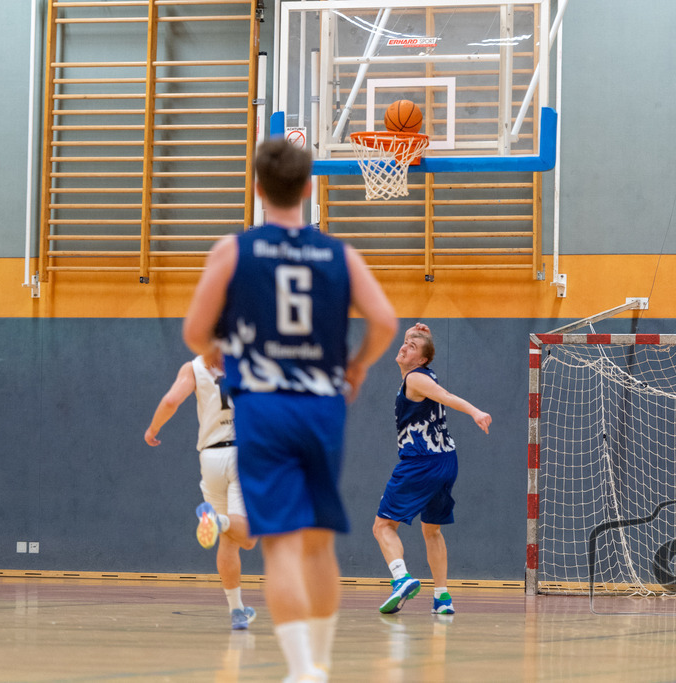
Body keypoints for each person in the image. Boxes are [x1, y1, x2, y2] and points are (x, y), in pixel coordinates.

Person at [182, 138, 398, 683]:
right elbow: (385, 323)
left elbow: (193, 331)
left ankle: (303, 669)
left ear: (257, 188)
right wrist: (359, 366)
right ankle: (320, 663)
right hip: (322, 408)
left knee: (279, 545)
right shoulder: (339, 254)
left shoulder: (233, 251)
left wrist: (215, 347)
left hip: (264, 410)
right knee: (319, 541)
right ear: (308, 188)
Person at [373, 322, 491, 616]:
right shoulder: (420, 370)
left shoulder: (416, 379)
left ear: (422, 359)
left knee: (383, 526)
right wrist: (417, 334)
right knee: (432, 530)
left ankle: (400, 578)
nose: (404, 347)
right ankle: (442, 597)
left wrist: (475, 411)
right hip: (446, 461)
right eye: (405, 342)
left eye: (412, 346)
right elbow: (415, 348)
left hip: (421, 462)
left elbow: (447, 397)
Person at [144, 356, 259, 630]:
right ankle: (218, 521)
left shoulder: (193, 367)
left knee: (228, 541)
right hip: (243, 451)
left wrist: (153, 428)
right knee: (248, 538)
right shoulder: (249, 358)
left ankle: (237, 612)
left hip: (210, 457)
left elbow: (172, 401)